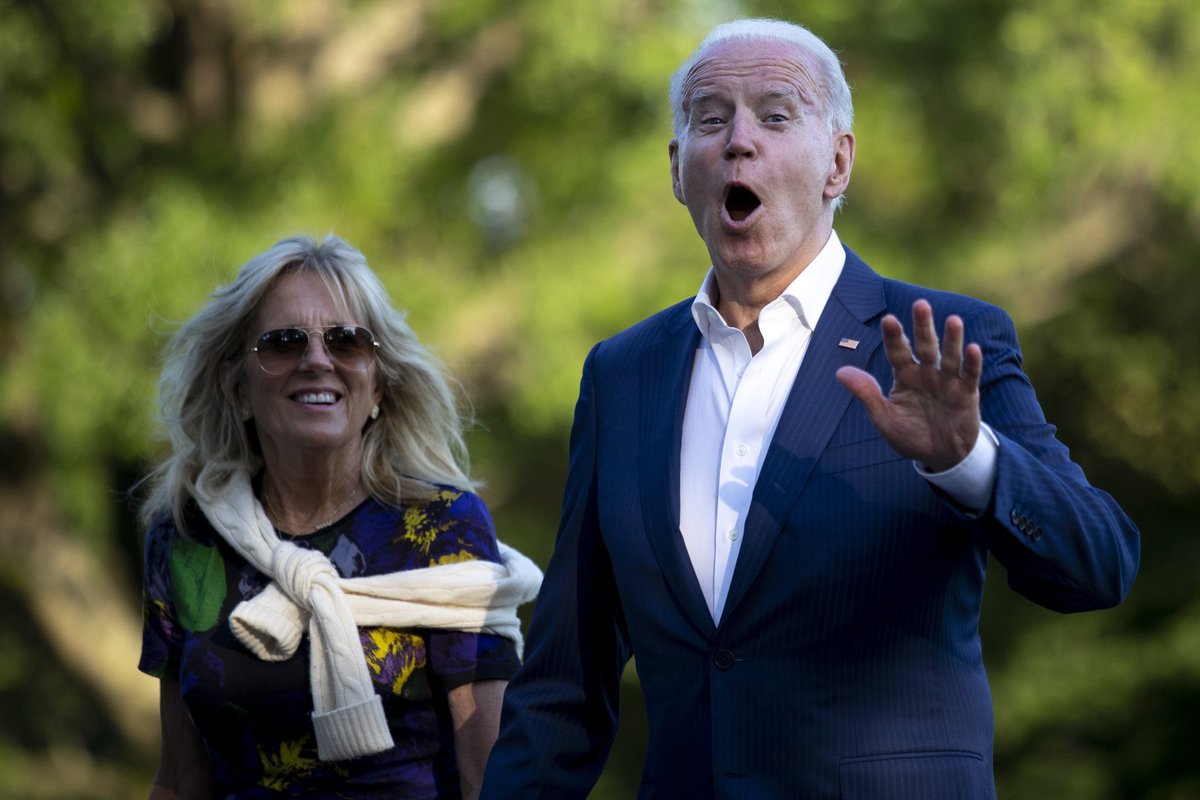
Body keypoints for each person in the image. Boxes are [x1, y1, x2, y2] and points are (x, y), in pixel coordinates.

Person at [480, 17, 1139, 800]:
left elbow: (1099, 566)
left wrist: (969, 461)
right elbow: (564, 688)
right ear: (678, 170)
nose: (739, 141)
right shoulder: (621, 375)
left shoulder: (940, 341)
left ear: (838, 162)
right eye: (711, 119)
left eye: (775, 115)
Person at [137, 233, 541, 799]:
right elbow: (180, 783)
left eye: (347, 341)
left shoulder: (443, 528)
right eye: (283, 343)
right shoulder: (185, 538)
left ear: (378, 384)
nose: (317, 361)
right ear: (237, 385)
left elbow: (491, 779)